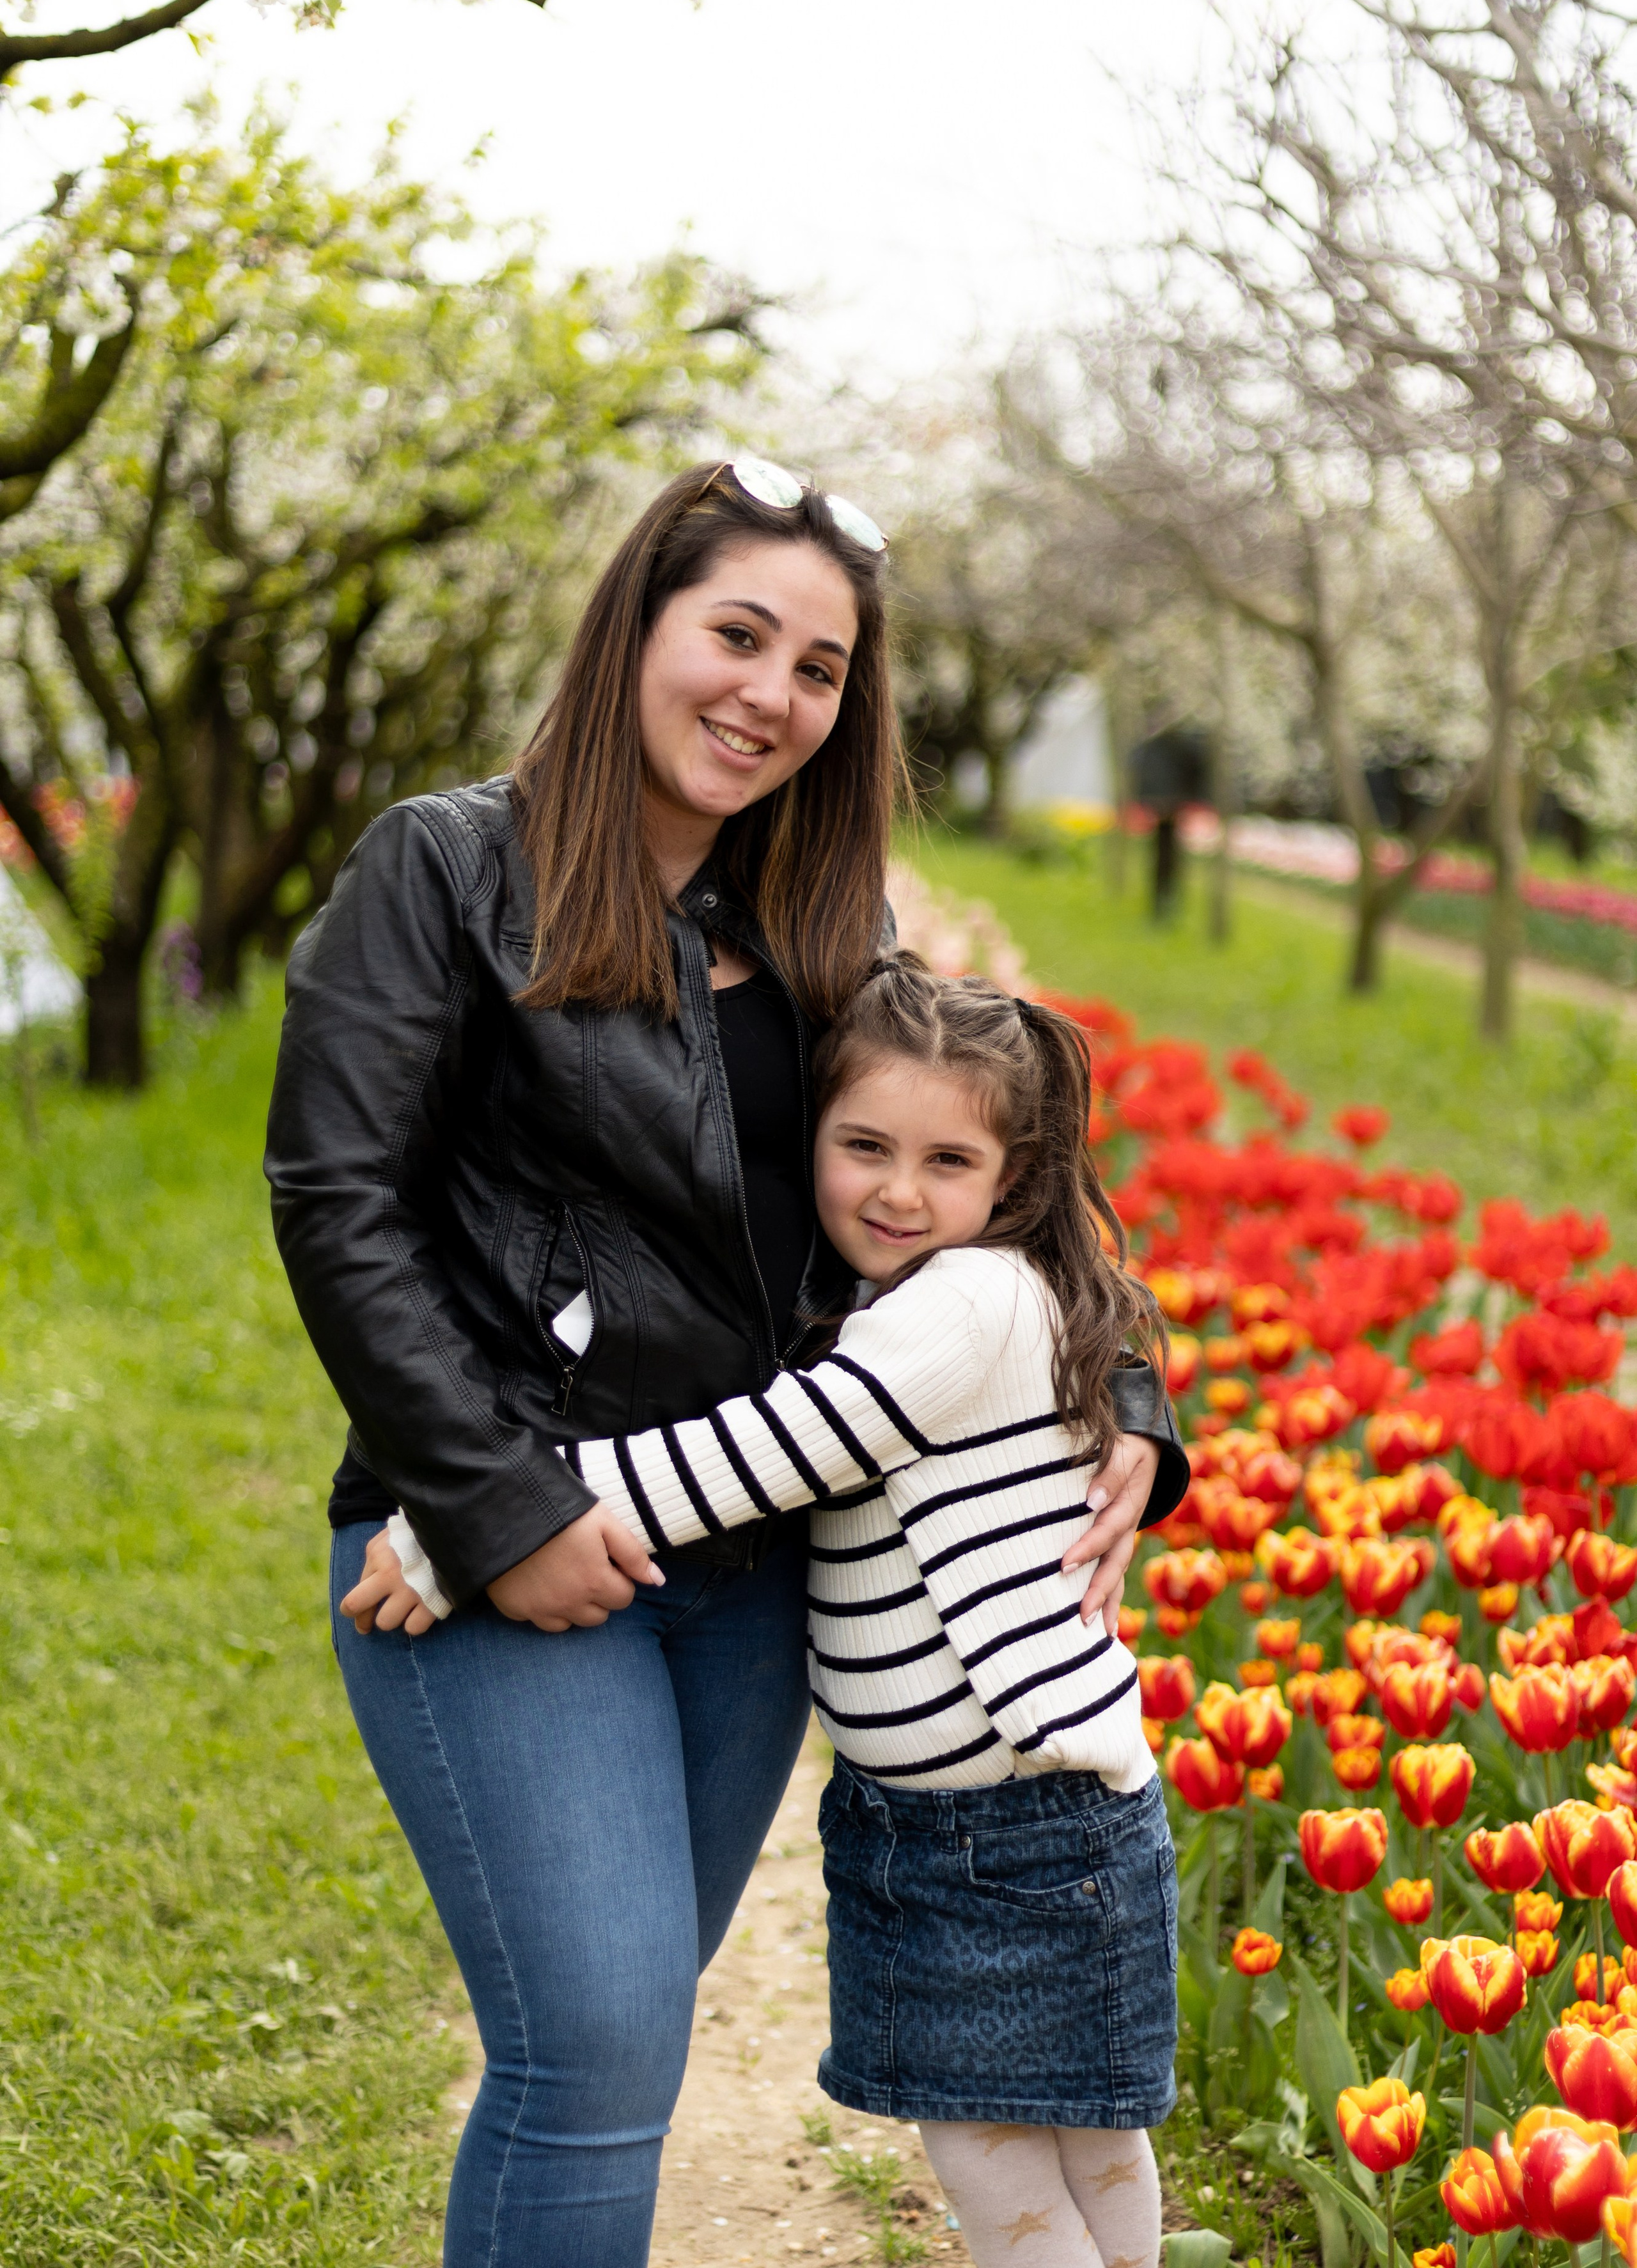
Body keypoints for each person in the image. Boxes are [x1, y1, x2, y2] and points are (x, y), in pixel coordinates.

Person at [267, 455, 1186, 2268]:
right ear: (639, 629)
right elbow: (337, 1199)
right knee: (595, 2043)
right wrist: (494, 1499)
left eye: (821, 668)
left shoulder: (825, 932)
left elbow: (1021, 1188)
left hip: (745, 1578)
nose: (771, 694)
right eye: (738, 634)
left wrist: (1139, 1405)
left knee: (613, 2031)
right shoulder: (446, 871)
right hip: (511, 1555)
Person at [353, 958, 1187, 2268]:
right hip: (1023, 1814)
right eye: (861, 1146)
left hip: (1005, 1830)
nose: (897, 1190)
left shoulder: (958, 1304)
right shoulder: (935, 1292)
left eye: (944, 1160)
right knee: (1083, 2138)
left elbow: (761, 1449)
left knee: (993, 2155)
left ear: (1010, 1182)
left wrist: (479, 1516)